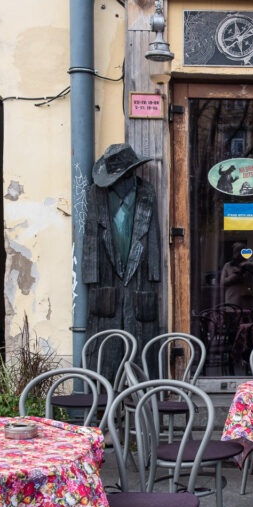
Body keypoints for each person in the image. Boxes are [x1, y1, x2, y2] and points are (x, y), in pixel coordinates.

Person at [82, 143, 160, 377]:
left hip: (140, 282)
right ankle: (103, 405)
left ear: (130, 172)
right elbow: (90, 235)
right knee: (104, 350)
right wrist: (91, 276)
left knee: (144, 349)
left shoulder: (147, 192)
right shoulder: (96, 194)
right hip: (106, 281)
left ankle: (146, 402)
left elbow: (153, 234)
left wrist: (154, 274)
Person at [220, 242, 253, 311]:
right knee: (235, 318)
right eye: (238, 252)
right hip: (233, 298)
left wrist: (248, 265)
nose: (240, 255)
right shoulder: (228, 265)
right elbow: (223, 282)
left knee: (249, 318)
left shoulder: (251, 262)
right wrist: (236, 275)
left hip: (248, 297)